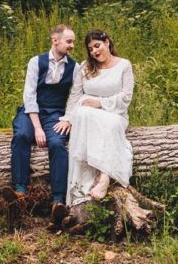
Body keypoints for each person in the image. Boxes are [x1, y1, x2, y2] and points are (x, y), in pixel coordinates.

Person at [55, 29, 134, 206]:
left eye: (97, 46)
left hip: (115, 114)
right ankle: (84, 186)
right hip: (88, 116)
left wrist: (99, 103)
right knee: (83, 113)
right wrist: (68, 118)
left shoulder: (124, 65)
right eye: (90, 49)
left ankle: (104, 176)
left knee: (107, 123)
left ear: (107, 42)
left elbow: (126, 97)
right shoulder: (86, 66)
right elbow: (75, 95)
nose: (94, 52)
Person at [10, 24, 77, 207]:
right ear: (55, 40)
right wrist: (37, 128)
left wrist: (68, 118)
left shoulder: (74, 67)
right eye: (69, 41)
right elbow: (29, 96)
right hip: (31, 111)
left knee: (56, 143)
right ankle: (20, 188)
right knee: (22, 135)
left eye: (73, 42)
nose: (72, 46)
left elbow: (77, 96)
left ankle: (58, 199)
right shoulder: (36, 62)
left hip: (56, 113)